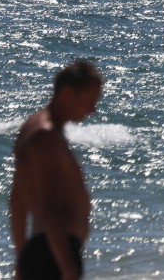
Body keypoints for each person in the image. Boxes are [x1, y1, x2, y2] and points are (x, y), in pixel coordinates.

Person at [10, 60, 105, 280]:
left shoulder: (34, 126)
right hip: (53, 257)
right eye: (89, 101)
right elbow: (49, 210)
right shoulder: (46, 137)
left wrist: (22, 256)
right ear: (68, 94)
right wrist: (68, 269)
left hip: (44, 251)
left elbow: (18, 197)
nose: (93, 110)